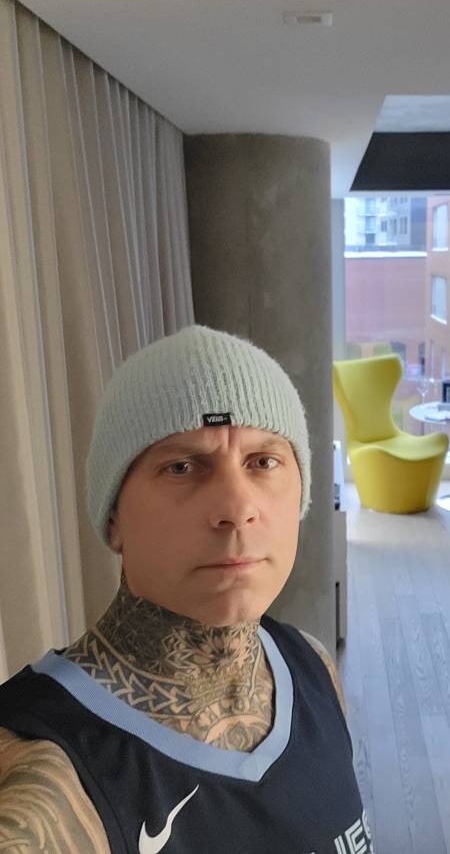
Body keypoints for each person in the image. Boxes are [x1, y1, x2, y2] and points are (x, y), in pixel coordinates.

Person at [0, 324, 374, 853]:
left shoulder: (311, 666)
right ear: (114, 516)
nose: (236, 508)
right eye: (182, 466)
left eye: (263, 462)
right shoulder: (46, 784)